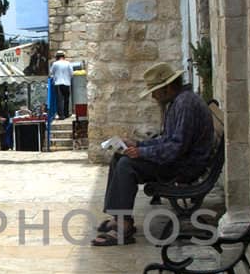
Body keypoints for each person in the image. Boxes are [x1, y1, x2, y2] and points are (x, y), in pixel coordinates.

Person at [92, 62, 214, 245]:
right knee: (120, 157)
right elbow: (168, 139)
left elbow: (175, 147)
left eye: (156, 91)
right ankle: (120, 218)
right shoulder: (178, 101)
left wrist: (141, 152)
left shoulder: (185, 104)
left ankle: (123, 226)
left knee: (127, 165)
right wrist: (139, 145)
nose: (153, 96)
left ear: (168, 87)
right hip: (180, 160)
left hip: (186, 167)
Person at [49, 51, 74, 119]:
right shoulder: (68, 63)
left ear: (57, 57)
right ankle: (66, 114)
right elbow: (72, 73)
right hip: (66, 83)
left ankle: (61, 115)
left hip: (58, 83)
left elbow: (51, 73)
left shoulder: (55, 64)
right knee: (66, 99)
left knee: (59, 100)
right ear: (64, 56)